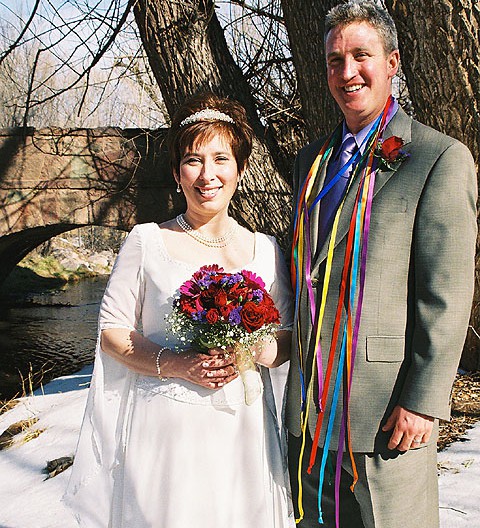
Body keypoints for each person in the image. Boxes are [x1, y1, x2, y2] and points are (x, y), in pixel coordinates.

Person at [286, 2, 477, 528]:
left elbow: (447, 293)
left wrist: (423, 400)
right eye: (334, 60)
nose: (347, 73)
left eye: (361, 56)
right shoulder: (310, 162)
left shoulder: (438, 159)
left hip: (387, 412)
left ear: (392, 61)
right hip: (311, 414)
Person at [64, 92, 294, 527]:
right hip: (166, 431)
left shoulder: (265, 250)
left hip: (242, 432)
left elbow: (286, 336)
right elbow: (112, 332)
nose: (207, 174)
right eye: (193, 160)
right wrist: (175, 363)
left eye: (220, 159)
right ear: (176, 173)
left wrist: (253, 352)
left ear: (240, 170)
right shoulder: (146, 241)